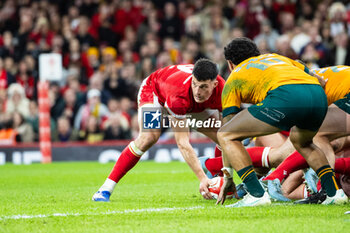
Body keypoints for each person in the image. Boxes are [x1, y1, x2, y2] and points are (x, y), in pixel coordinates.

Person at [216, 37, 347, 207]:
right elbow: (321, 81)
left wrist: (228, 176)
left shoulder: (234, 78)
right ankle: (333, 193)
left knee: (225, 134)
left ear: (230, 63)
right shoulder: (276, 57)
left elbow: (228, 129)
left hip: (285, 95)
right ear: (256, 54)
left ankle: (256, 195)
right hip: (318, 94)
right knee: (302, 141)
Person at [92, 59, 225, 202]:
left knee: (222, 137)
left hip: (190, 103)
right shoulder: (178, 96)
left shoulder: (223, 90)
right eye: (195, 84)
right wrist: (202, 178)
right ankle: (105, 189)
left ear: (215, 84)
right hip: (154, 93)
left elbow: (228, 131)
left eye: (203, 87)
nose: (198, 91)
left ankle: (219, 179)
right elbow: (182, 143)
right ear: (192, 79)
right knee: (149, 137)